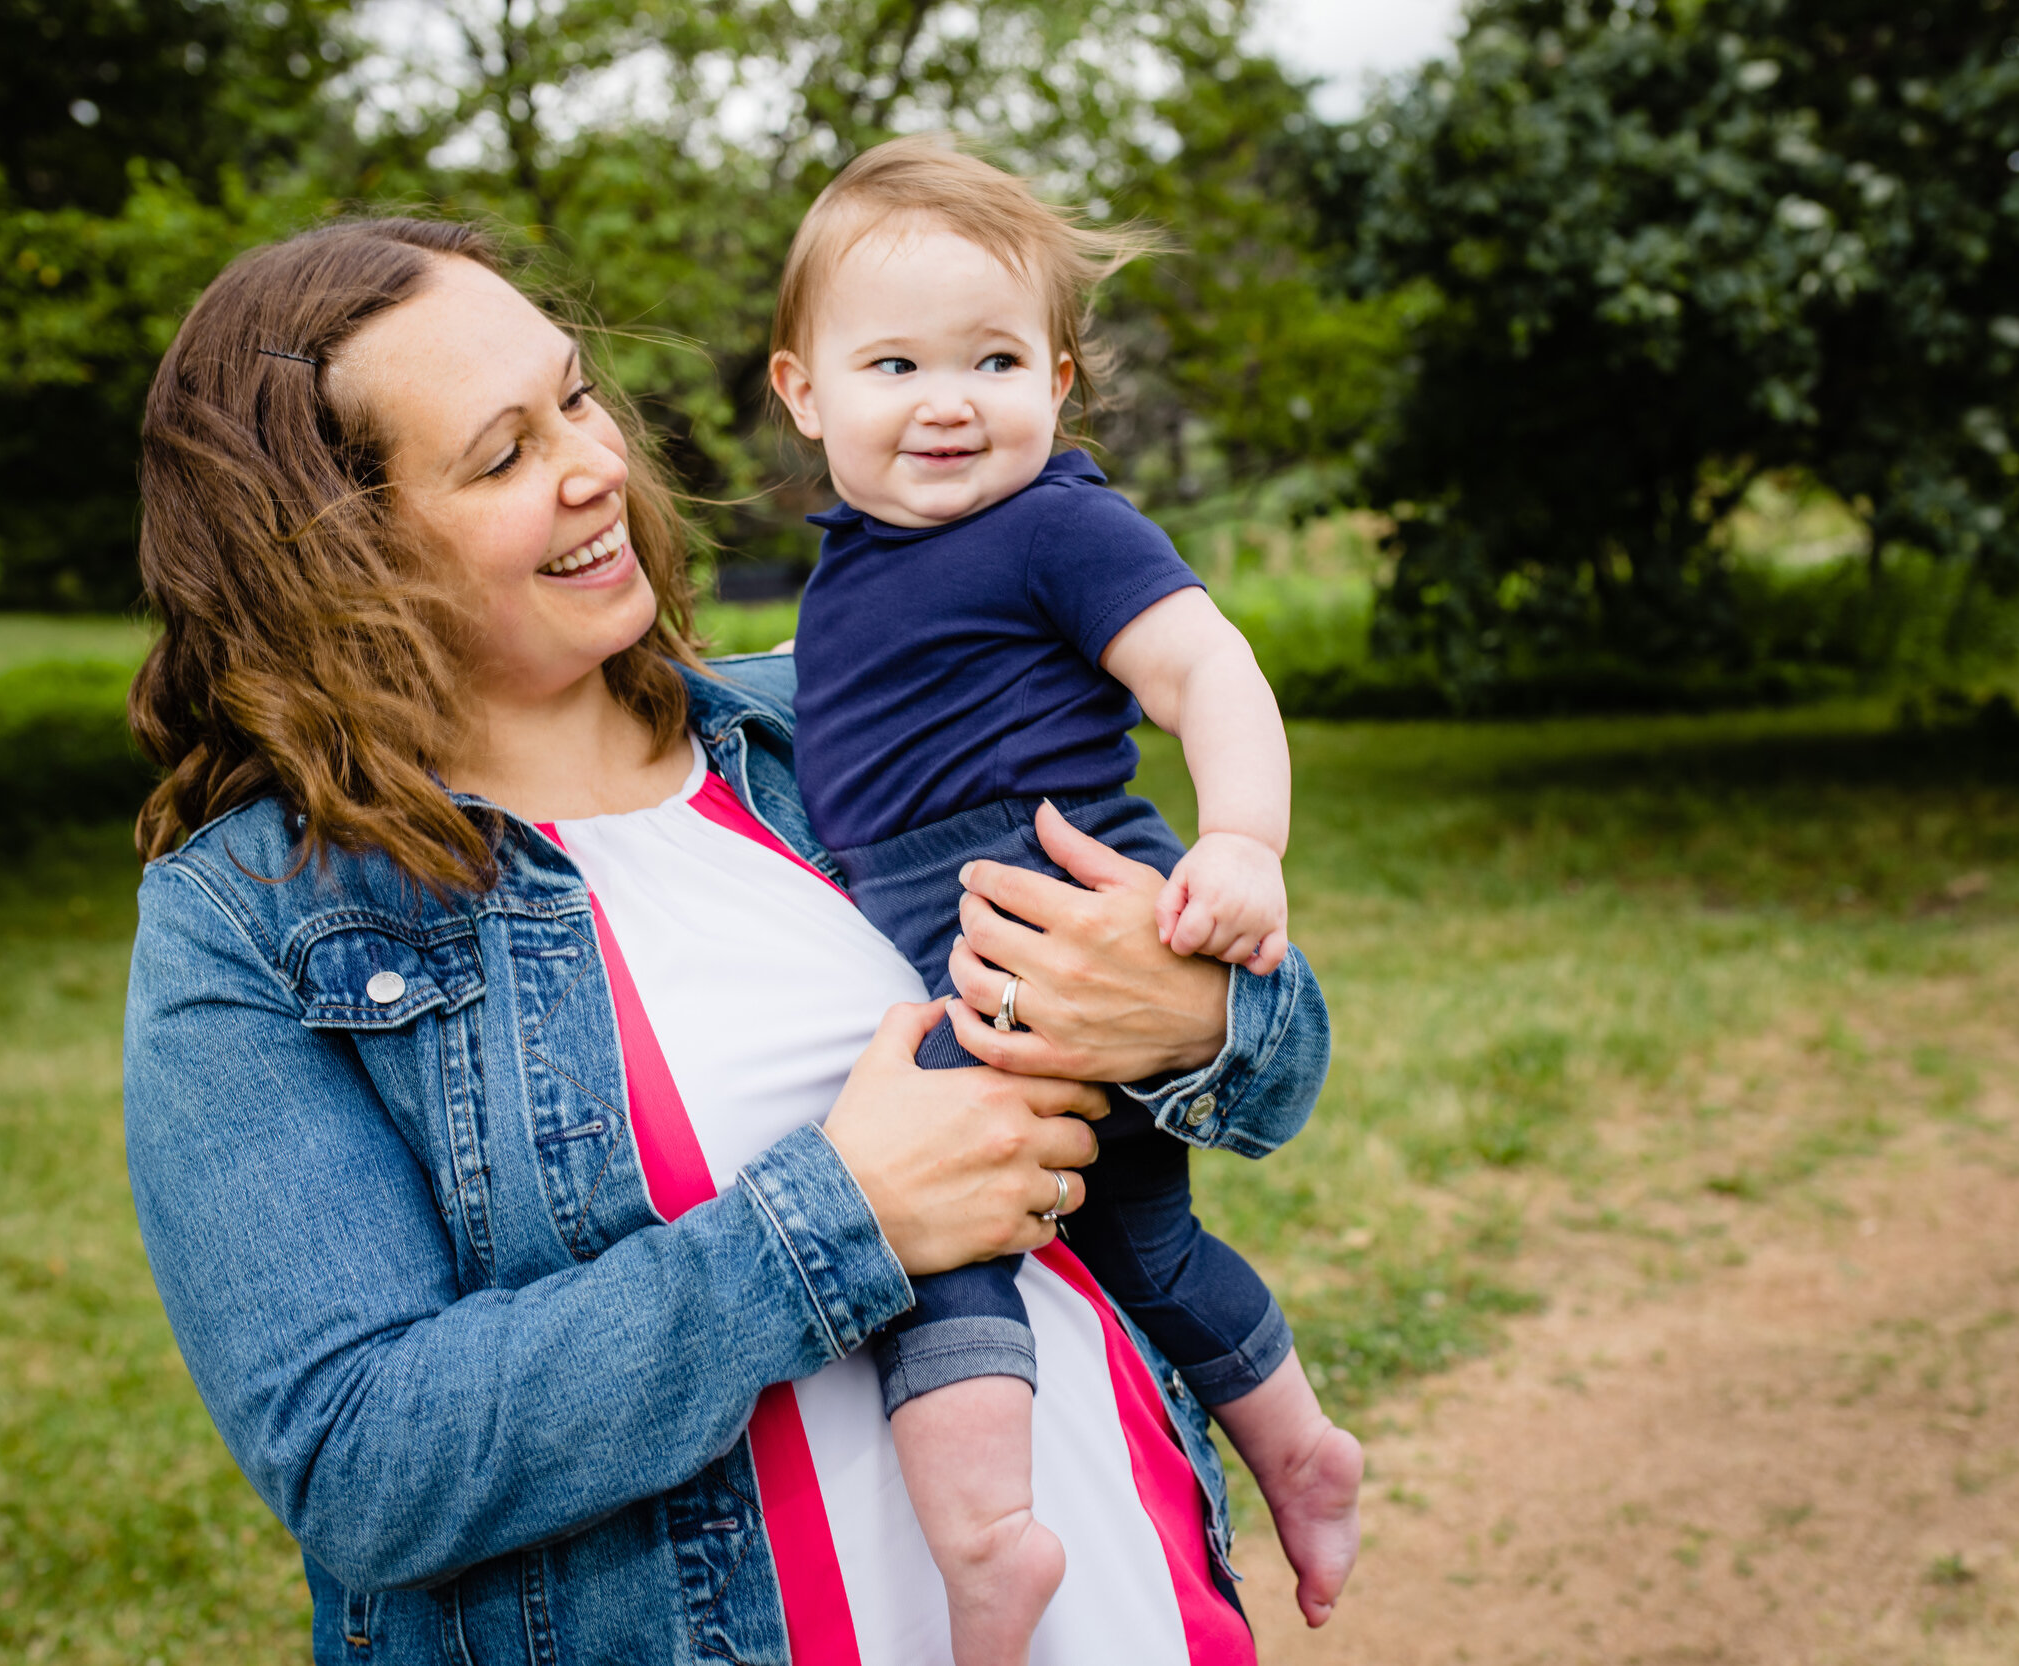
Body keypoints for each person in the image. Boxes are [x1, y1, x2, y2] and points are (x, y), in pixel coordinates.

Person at [121, 214, 1335, 1666]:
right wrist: (841, 1217)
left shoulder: (835, 722)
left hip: (1130, 1602)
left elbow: (1273, 1050)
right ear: (338, 557)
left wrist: (1194, 1012)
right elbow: (363, 1461)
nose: (595, 466)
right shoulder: (252, 924)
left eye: (575, 396)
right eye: (503, 454)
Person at [766, 136, 1362, 1661]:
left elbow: (1205, 666)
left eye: (995, 358)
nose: (949, 397)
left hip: (1054, 902)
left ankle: (985, 1545)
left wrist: (1241, 842)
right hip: (957, 925)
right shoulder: (845, 571)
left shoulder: (1056, 525)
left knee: (933, 1224)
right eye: (895, 361)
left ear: (1062, 382)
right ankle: (1297, 1446)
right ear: (802, 390)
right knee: (1141, 1241)